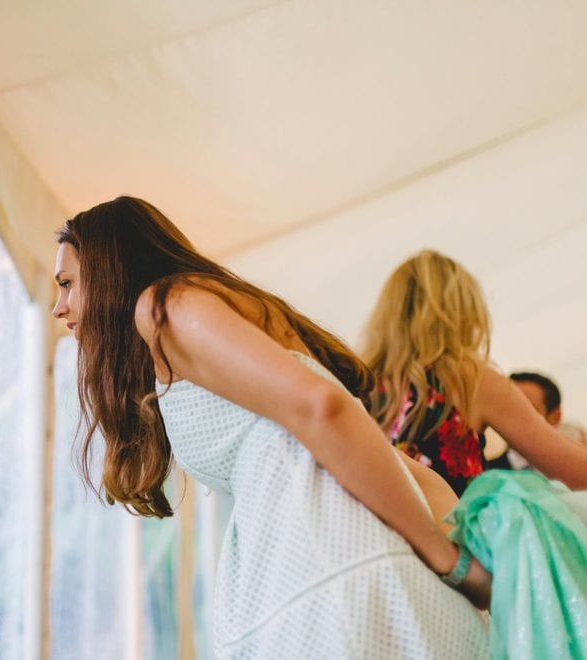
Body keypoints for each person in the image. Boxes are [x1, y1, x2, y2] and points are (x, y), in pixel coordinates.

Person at [52, 197, 489, 658]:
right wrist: (454, 565)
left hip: (338, 591)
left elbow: (323, 409)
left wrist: (448, 559)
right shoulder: (231, 317)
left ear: (109, 269)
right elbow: (388, 456)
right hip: (361, 584)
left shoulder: (166, 308)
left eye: (68, 284)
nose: (59, 308)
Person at [362, 249, 587, 498]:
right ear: (465, 312)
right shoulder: (468, 379)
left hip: (379, 535)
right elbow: (572, 469)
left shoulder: (362, 384)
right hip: (449, 532)